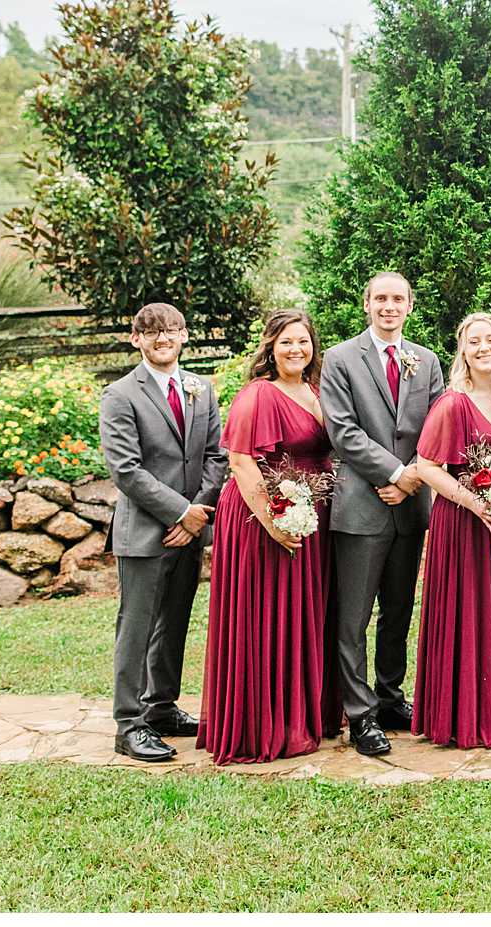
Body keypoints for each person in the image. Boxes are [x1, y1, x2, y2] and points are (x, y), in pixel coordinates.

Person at [200, 310, 341, 764]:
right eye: (286, 343)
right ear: (270, 348)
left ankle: (304, 715)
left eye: (303, 341)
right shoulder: (258, 395)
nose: (296, 350)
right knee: (270, 616)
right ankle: (265, 724)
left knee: (306, 615)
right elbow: (241, 463)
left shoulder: (318, 392)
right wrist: (273, 523)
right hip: (263, 521)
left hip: (311, 517)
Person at [319, 272, 446, 758]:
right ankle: (360, 713)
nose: (389, 306)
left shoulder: (427, 360)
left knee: (398, 610)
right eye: (380, 299)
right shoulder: (340, 359)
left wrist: (412, 478)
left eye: (397, 299)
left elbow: (437, 427)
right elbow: (342, 430)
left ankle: (391, 698)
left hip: (412, 507)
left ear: (409, 306)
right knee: (353, 617)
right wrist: (392, 474)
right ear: (367, 304)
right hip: (361, 506)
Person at [103, 302, 225, 762]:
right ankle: (128, 723)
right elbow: (126, 470)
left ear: (185, 336)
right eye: (152, 332)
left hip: (190, 529)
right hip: (145, 532)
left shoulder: (201, 388)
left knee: (174, 623)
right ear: (136, 339)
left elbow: (216, 456)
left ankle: (161, 707)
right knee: (137, 627)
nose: (163, 339)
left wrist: (197, 513)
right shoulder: (120, 395)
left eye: (172, 330)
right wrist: (179, 514)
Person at [409, 312, 491, 750]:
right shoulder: (453, 403)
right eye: (474, 342)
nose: (484, 348)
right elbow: (426, 467)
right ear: (463, 350)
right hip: (463, 524)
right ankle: (462, 715)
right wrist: (474, 502)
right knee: (468, 610)